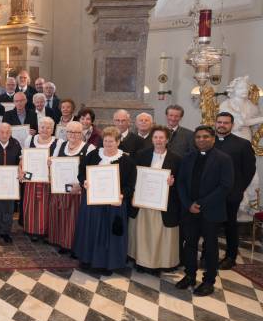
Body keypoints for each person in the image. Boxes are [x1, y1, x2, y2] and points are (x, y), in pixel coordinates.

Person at [176, 125, 233, 296]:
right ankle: (190, 275)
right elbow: (181, 183)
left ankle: (209, 281)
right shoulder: (188, 157)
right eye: (198, 137)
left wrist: (200, 204)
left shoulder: (224, 159)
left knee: (210, 247)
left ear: (213, 139)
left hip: (210, 211)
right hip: (190, 210)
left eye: (206, 136)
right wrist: (188, 204)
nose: (201, 139)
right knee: (190, 244)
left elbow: (225, 186)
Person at [73, 126, 137, 275]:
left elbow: (130, 185)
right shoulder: (93, 155)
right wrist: (84, 182)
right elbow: (81, 172)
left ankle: (107, 264)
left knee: (108, 234)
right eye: (105, 141)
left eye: (111, 142)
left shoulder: (127, 161)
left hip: (114, 205)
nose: (107, 144)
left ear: (118, 142)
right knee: (90, 230)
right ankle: (87, 259)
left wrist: (121, 195)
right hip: (92, 203)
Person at [128, 125, 181, 275]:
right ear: (152, 139)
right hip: (143, 203)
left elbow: (181, 181)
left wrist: (173, 183)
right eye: (156, 137)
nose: (158, 140)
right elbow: (134, 176)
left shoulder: (176, 159)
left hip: (163, 205)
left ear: (167, 140)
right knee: (143, 234)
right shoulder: (141, 154)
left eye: (161, 137)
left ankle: (158, 263)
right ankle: (141, 261)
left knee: (158, 236)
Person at [214, 112, 256, 270]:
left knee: (230, 225)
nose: (222, 125)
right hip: (210, 194)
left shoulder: (242, 144)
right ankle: (207, 254)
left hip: (231, 194)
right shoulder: (208, 142)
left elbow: (249, 170)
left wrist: (239, 189)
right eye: (219, 122)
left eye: (226, 122)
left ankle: (230, 256)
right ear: (215, 123)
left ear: (231, 125)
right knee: (209, 225)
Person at [50, 121, 95, 253]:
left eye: (76, 132)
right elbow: (54, 162)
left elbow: (92, 171)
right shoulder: (60, 145)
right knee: (62, 217)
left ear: (81, 133)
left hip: (78, 192)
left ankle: (75, 246)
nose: (73, 135)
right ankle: (63, 243)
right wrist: (51, 162)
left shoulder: (89, 148)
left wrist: (80, 185)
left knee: (75, 220)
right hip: (61, 190)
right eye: (70, 132)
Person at [22, 117, 62, 242]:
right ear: (39, 128)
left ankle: (46, 231)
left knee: (47, 206)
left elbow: (59, 161)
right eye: (42, 127)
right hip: (32, 179)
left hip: (48, 180)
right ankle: (33, 230)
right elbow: (23, 157)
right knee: (32, 205)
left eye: (48, 127)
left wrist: (53, 162)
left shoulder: (58, 142)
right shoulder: (30, 139)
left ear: (53, 129)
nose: (45, 129)